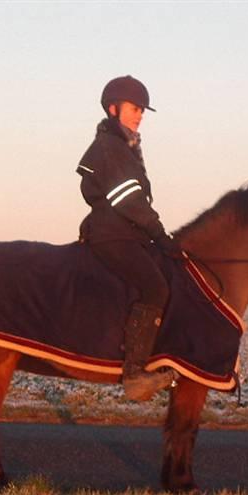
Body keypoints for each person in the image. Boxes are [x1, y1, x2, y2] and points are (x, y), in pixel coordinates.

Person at [76, 75, 181, 401]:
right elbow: (129, 200)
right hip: (114, 235)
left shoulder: (124, 146)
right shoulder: (109, 148)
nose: (139, 115)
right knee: (155, 288)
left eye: (142, 110)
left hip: (125, 232)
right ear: (113, 109)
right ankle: (135, 373)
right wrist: (160, 234)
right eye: (135, 108)